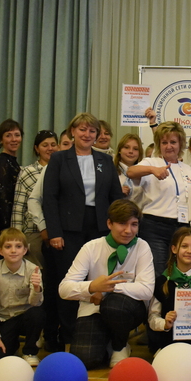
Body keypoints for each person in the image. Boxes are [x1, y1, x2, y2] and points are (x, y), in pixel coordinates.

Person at [42, 113, 124, 345]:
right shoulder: (59, 159)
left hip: (100, 228)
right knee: (71, 282)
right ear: (72, 132)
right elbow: (50, 198)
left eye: (92, 131)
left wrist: (119, 230)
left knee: (99, 281)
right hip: (68, 231)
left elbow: (116, 198)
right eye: (82, 130)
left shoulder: (105, 160)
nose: (87, 134)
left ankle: (96, 337)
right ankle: (68, 337)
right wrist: (55, 232)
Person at [59, 200, 155, 368]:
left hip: (126, 309)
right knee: (85, 359)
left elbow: (147, 290)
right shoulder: (91, 247)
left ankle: (120, 344)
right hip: (93, 309)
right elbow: (64, 289)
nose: (128, 230)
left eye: (134, 224)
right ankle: (106, 342)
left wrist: (105, 290)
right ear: (109, 223)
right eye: (122, 223)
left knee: (113, 305)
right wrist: (91, 287)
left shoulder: (142, 247)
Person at [127, 122, 191, 277]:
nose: (169, 146)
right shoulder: (151, 162)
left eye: (173, 142)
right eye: (164, 142)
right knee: (158, 272)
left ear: (180, 144)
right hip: (155, 226)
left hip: (181, 226)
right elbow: (131, 172)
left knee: (180, 271)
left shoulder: (187, 169)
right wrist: (152, 170)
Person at [25, 129, 74, 351]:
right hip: (57, 239)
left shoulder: (88, 166)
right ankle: (52, 336)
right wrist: (45, 228)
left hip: (81, 238)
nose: (67, 147)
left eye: (70, 144)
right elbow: (34, 199)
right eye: (64, 143)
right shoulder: (52, 166)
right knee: (54, 289)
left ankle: (73, 336)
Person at [148, 228, 191, 367]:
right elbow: (152, 318)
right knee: (174, 366)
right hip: (171, 341)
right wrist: (165, 323)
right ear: (174, 249)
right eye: (184, 246)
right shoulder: (162, 282)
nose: (189, 251)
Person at [0, 228, 44, 367]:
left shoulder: (33, 269)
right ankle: (11, 345)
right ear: (0, 250)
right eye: (8, 247)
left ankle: (30, 351)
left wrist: (37, 288)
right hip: (4, 319)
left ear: (25, 250)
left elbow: (35, 304)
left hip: (25, 317)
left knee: (37, 313)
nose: (13, 251)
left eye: (18, 246)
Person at [11, 130, 58, 267]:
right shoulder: (27, 172)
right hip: (34, 232)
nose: (50, 148)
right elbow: (18, 207)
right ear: (37, 149)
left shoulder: (63, 170)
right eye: (45, 145)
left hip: (58, 233)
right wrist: (16, 237)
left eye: (53, 144)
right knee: (35, 273)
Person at [0, 119, 24, 239]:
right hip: (6, 225)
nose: (14, 139)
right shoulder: (2, 163)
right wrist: (5, 228)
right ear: (1, 139)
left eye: (17, 135)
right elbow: (3, 198)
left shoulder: (13, 162)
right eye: (8, 135)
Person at [113, 133, 144, 198]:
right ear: (119, 150)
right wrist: (116, 192)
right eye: (126, 147)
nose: (131, 151)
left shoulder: (143, 174)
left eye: (135, 149)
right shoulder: (110, 170)